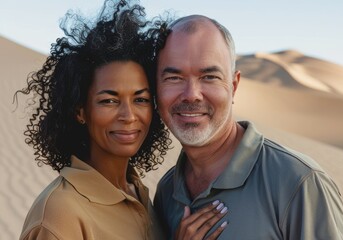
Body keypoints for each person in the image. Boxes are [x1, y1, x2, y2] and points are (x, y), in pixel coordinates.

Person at [15, 1, 228, 239]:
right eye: (109, 101)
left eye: (141, 100)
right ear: (80, 111)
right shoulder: (58, 216)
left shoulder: (139, 195)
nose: (128, 116)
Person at [153, 15, 343, 239]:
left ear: (234, 86)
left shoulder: (299, 183)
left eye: (209, 77)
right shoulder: (167, 191)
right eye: (174, 78)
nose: (192, 94)